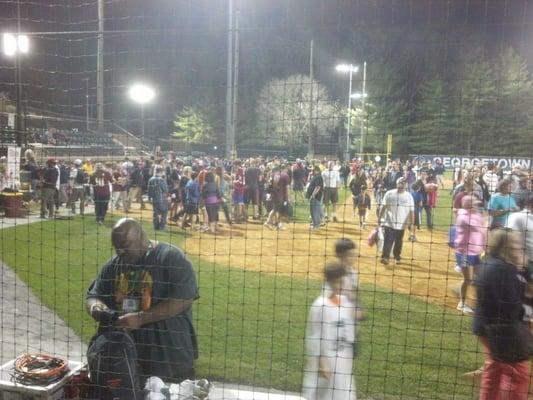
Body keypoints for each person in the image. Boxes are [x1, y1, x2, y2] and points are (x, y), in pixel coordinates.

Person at [86, 218, 199, 384]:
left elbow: (183, 299)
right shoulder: (113, 266)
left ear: (141, 236)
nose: (121, 252)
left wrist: (140, 318)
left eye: (125, 245)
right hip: (126, 362)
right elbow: (92, 296)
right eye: (117, 247)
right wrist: (98, 309)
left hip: (169, 359)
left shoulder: (170, 258)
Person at [472, 229, 530, 400]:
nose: (519, 248)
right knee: (519, 374)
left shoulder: (489, 263)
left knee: (494, 369)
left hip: (485, 327)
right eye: (516, 245)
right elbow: (511, 306)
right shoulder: (505, 270)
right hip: (501, 331)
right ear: (506, 247)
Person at [302, 261, 357, 400]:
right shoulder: (320, 305)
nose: (342, 285)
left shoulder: (345, 302)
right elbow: (315, 336)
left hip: (343, 363)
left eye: (342, 281)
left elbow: (349, 330)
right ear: (330, 282)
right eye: (338, 282)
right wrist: (321, 362)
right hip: (327, 363)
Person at [454, 195, 487, 315]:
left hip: (475, 253)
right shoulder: (462, 217)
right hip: (463, 253)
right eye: (473, 203)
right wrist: (486, 220)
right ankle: (461, 304)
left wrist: (483, 248)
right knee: (468, 279)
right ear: (467, 204)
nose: (476, 205)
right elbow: (477, 228)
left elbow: (482, 231)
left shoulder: (475, 215)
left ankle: (459, 291)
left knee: (477, 278)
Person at [378, 177, 415, 266]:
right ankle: (385, 257)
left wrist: (412, 223)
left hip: (402, 224)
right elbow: (383, 207)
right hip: (389, 223)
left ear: (405, 185)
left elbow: (412, 211)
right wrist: (379, 218)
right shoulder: (389, 193)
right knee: (388, 240)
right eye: (399, 184)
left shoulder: (409, 196)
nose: (400, 187)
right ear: (396, 184)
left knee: (399, 241)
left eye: (402, 185)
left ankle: (397, 256)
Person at [147, 166, 169, 231]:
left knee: (155, 213)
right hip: (161, 199)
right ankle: (161, 227)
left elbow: (149, 190)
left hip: (154, 199)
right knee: (164, 212)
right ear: (161, 172)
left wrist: (149, 198)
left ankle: (155, 226)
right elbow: (165, 190)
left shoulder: (150, 179)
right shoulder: (161, 179)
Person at [307, 165, 324, 230]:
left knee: (315, 211)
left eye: (313, 170)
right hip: (315, 196)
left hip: (316, 197)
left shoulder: (318, 177)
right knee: (313, 210)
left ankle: (316, 226)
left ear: (316, 170)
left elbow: (318, 187)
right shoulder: (316, 176)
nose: (312, 171)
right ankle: (315, 225)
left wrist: (313, 195)